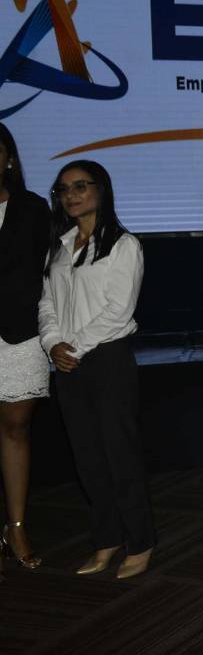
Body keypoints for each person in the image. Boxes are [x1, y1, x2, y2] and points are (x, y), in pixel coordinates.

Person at [37, 160, 153, 578]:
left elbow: (118, 311)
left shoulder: (124, 246)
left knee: (119, 455)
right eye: (64, 188)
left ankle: (140, 541)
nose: (71, 195)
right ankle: (107, 539)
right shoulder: (60, 245)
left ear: (101, 190)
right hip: (67, 363)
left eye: (81, 186)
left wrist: (75, 346)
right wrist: (53, 343)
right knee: (87, 458)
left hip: (107, 360)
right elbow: (46, 304)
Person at [0, 123, 50, 573]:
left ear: (9, 159)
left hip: (20, 333)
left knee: (16, 427)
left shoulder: (34, 209)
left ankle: (16, 524)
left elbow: (51, 274)